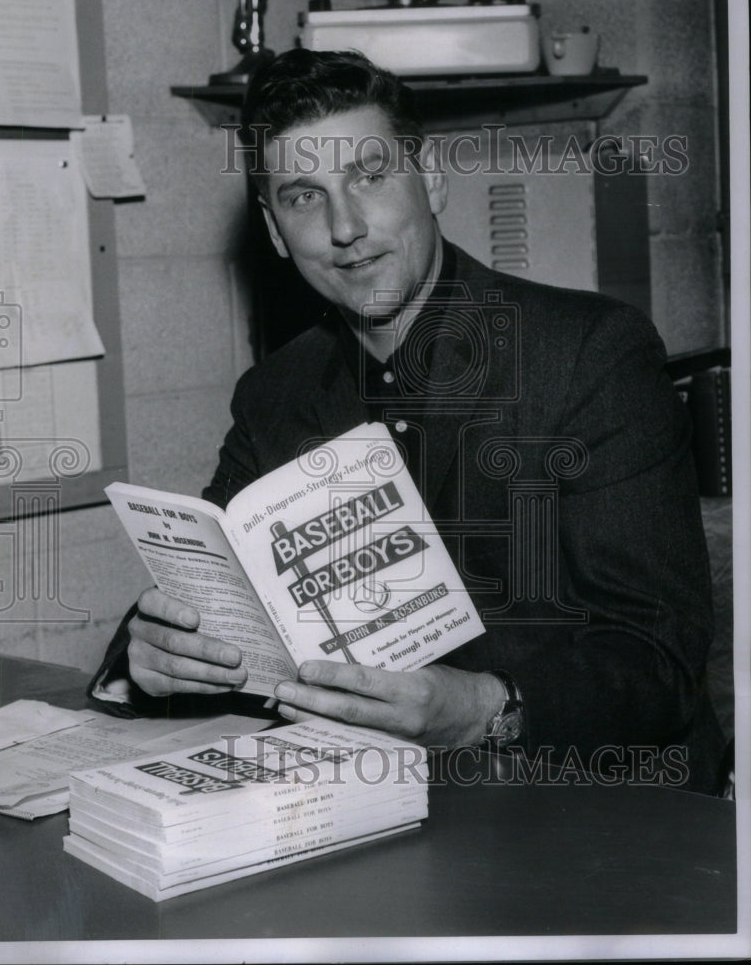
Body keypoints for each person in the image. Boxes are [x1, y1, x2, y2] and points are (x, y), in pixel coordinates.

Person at [89, 49, 723, 792]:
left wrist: (484, 709)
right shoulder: (274, 394)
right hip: (372, 801)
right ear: (272, 229)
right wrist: (150, 657)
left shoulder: (588, 353)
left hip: (595, 808)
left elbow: (659, 660)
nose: (345, 226)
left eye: (369, 175)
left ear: (432, 178)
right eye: (302, 196)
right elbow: (212, 597)